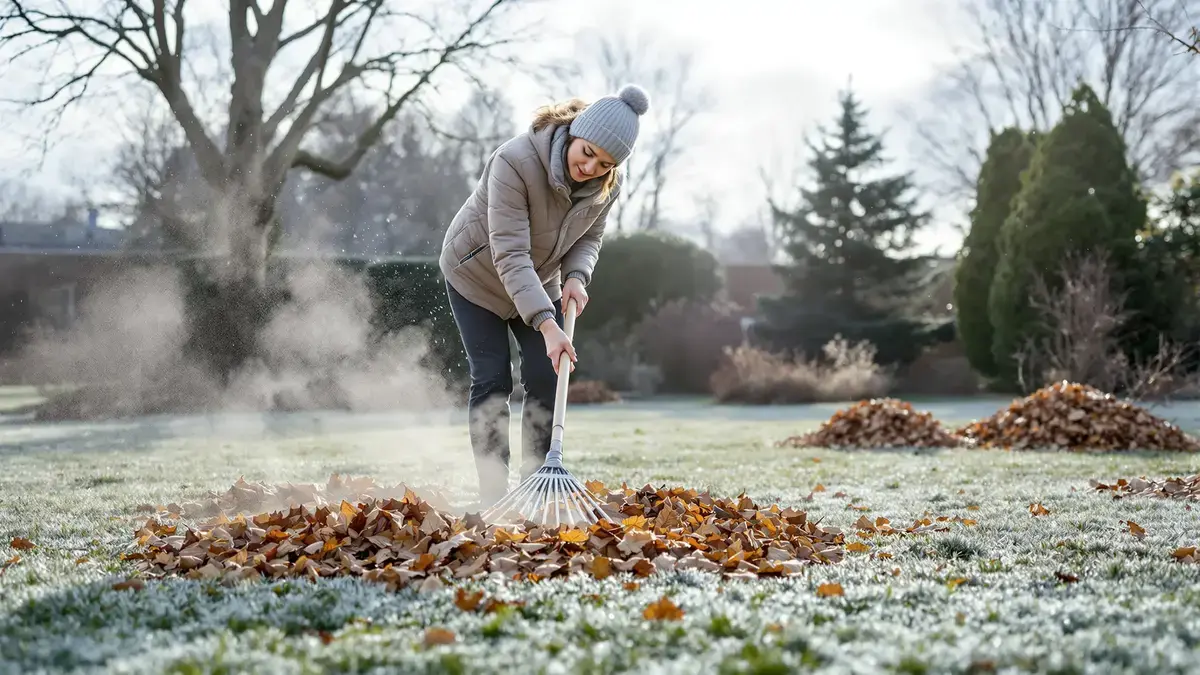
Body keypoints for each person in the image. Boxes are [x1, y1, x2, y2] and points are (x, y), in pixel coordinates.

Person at [439, 84, 651, 507]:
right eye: (587, 152)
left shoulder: (608, 183)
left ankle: (535, 485)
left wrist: (576, 276)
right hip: (476, 276)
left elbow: (589, 236)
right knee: (492, 378)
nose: (590, 167)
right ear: (573, 132)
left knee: (545, 373)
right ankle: (493, 495)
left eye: (605, 163)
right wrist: (548, 323)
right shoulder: (514, 162)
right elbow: (510, 253)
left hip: (538, 278)